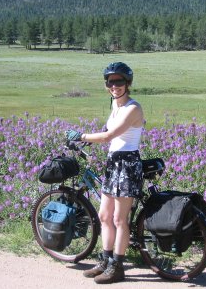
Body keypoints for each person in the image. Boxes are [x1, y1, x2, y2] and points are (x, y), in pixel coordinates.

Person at [65, 62, 144, 284]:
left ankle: (117, 267)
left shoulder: (133, 108)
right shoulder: (116, 106)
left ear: (127, 83)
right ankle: (106, 260)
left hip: (127, 165)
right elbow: (110, 132)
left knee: (119, 219)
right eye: (111, 82)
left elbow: (109, 136)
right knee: (104, 216)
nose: (114, 86)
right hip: (114, 162)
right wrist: (91, 140)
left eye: (119, 81)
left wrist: (81, 136)